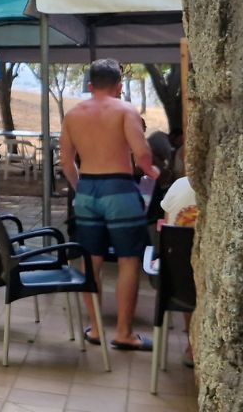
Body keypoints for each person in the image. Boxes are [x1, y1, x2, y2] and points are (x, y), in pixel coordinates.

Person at [60, 58, 160, 351]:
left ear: (90, 85)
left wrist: (82, 188)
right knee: (129, 261)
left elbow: (66, 161)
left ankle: (95, 329)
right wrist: (150, 169)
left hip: (88, 189)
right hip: (119, 188)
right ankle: (124, 333)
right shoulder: (125, 110)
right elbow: (142, 151)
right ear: (119, 86)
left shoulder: (73, 114)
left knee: (91, 261)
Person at [159, 176, 197, 367]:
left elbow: (167, 231)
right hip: (210, 285)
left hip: (178, 285)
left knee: (184, 268)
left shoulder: (179, 185)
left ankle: (192, 346)